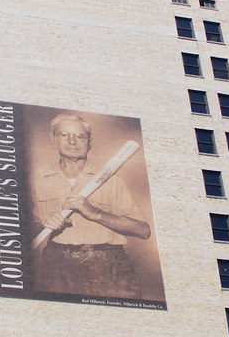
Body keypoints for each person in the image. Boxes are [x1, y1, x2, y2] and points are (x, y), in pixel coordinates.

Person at [32, 113, 150, 299]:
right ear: (53, 137)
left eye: (80, 136)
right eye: (64, 135)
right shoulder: (36, 179)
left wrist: (95, 213)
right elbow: (19, 226)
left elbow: (143, 231)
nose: (73, 142)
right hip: (57, 264)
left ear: (90, 142)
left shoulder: (112, 180)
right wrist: (42, 224)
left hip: (108, 263)